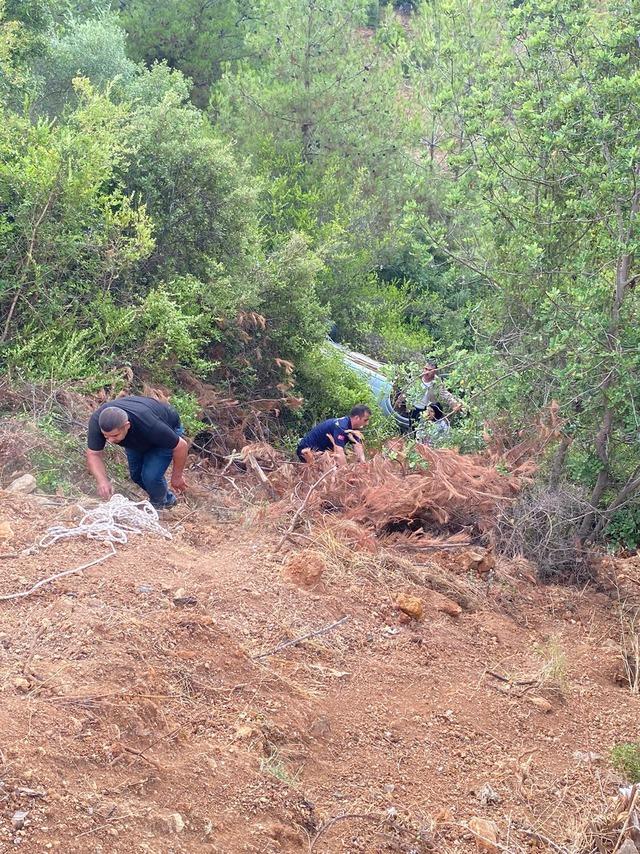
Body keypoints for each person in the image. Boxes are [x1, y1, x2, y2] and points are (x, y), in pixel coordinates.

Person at [86, 396, 188, 509]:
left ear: (127, 425)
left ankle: (159, 506)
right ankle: (167, 499)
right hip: (137, 437)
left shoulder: (151, 425)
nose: (110, 440)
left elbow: (181, 446)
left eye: (115, 435)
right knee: (137, 475)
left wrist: (177, 476)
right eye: (106, 436)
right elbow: (93, 454)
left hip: (166, 427)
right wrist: (102, 481)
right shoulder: (97, 422)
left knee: (151, 477)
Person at [296, 404, 371, 466]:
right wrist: (346, 473)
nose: (367, 423)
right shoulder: (341, 427)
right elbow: (339, 451)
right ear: (357, 418)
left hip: (322, 453)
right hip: (306, 451)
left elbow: (357, 446)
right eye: (365, 420)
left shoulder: (353, 428)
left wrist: (363, 463)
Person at [406, 359, 462, 438]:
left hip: (425, 409)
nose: (427, 372)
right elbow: (407, 388)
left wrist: (454, 403)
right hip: (413, 407)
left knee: (423, 429)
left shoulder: (436, 382)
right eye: (425, 369)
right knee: (412, 427)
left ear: (435, 371)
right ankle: (412, 441)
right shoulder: (417, 376)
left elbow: (444, 394)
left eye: (430, 370)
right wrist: (400, 399)